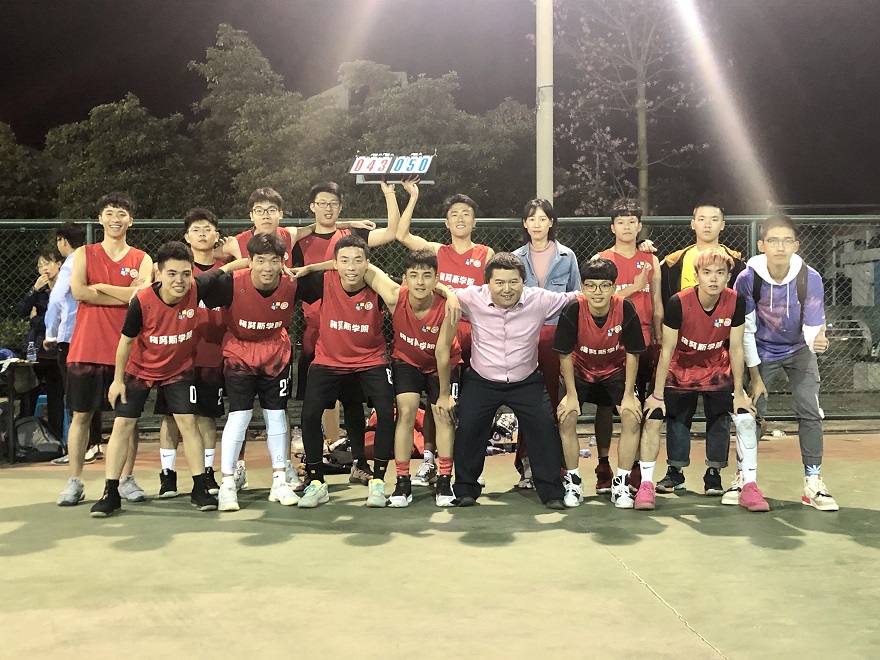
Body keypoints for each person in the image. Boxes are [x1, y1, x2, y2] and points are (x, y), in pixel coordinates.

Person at [436, 253, 578, 509]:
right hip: (482, 380)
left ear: (524, 282)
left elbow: (579, 297)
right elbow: (436, 286)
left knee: (545, 426)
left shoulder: (540, 299)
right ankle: (466, 489)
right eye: (499, 282)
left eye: (513, 282)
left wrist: (626, 291)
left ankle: (552, 492)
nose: (507, 289)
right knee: (468, 426)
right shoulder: (471, 297)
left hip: (526, 380)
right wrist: (450, 295)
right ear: (487, 283)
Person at [90, 242, 219, 517]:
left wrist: (252, 261)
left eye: (185, 273)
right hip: (139, 370)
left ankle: (199, 488)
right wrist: (117, 380)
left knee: (188, 424)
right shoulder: (141, 301)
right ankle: (110, 493)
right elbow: (125, 342)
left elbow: (228, 269)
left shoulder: (196, 289)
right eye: (172, 273)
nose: (180, 280)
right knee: (122, 426)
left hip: (178, 369)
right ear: (158, 273)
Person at [643, 248, 768, 512]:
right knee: (677, 416)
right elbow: (667, 350)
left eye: (720, 273)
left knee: (720, 416)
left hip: (715, 366)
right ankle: (675, 471)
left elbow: (736, 347)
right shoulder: (678, 302)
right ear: (697, 275)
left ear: (728, 276)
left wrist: (739, 391)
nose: (713, 278)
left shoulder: (736, 301)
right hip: (681, 366)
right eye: (707, 272)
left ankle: (714, 473)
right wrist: (657, 393)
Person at [294, 235, 408, 509]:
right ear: (335, 264)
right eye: (344, 261)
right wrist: (310, 268)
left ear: (368, 263)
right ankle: (316, 482)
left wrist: (450, 294)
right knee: (309, 415)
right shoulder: (322, 281)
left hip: (370, 360)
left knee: (386, 411)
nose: (352, 267)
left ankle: (378, 481)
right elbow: (283, 283)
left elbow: (405, 293)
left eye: (358, 260)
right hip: (329, 360)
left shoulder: (378, 285)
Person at [292, 180, 396, 480]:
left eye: (333, 204)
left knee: (353, 404)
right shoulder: (299, 241)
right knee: (313, 408)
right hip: (320, 336)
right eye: (322, 203)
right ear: (312, 206)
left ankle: (360, 464)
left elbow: (392, 234)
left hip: (359, 344)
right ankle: (316, 468)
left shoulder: (356, 243)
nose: (328, 208)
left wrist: (389, 194)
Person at [734, 214, 836, 511]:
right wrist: (755, 376)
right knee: (749, 414)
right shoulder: (747, 278)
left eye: (787, 240)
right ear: (761, 245)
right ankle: (744, 479)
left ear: (796, 245)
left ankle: (813, 482)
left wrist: (818, 341)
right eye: (774, 240)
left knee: (810, 412)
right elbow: (746, 331)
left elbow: (814, 325)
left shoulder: (810, 277)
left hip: (798, 351)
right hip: (760, 351)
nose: (780, 246)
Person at [56, 192, 152, 508]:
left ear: (130, 220)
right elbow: (79, 292)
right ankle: (74, 481)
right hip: (86, 348)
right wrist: (126, 294)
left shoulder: (142, 258)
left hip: (127, 352)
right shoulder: (83, 254)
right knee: (81, 416)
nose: (115, 218)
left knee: (128, 419)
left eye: (122, 213)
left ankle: (126, 479)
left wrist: (101, 290)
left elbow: (142, 296)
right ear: (100, 219)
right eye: (109, 212)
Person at [396, 182, 495, 486]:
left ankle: (465, 464)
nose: (460, 218)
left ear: (474, 222)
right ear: (447, 222)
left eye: (466, 214)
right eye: (454, 214)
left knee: (467, 404)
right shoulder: (436, 251)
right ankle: (429, 461)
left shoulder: (486, 254)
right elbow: (401, 234)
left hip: (474, 334)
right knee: (435, 401)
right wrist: (413, 197)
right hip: (438, 332)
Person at [200, 233, 303, 512]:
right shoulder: (230, 283)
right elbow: (196, 286)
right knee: (240, 415)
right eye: (260, 260)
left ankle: (279, 480)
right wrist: (228, 266)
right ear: (250, 261)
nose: (267, 268)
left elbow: (342, 274)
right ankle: (228, 483)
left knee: (276, 415)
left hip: (275, 353)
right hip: (239, 353)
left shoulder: (294, 282)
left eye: (274, 261)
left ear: (283, 261)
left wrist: (309, 269)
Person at [361, 248, 462, 508]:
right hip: (407, 361)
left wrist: (443, 395)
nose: (420, 282)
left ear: (436, 279)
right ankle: (402, 482)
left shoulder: (449, 308)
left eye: (427, 276)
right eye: (413, 275)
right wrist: (310, 268)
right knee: (406, 412)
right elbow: (363, 267)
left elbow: (442, 352)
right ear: (404, 277)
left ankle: (444, 481)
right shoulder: (396, 297)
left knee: (443, 414)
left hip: (443, 364)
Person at [554, 257, 646, 509]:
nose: (598, 292)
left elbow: (633, 353)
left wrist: (629, 395)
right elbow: (564, 354)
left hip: (614, 369)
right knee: (567, 416)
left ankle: (622, 483)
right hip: (580, 369)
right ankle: (573, 481)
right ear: (583, 287)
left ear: (613, 288)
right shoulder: (573, 309)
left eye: (604, 285)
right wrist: (571, 395)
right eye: (591, 286)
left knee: (631, 416)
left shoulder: (625, 307)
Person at [156, 209, 227, 499]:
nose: (202, 234)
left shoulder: (227, 270)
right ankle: (167, 475)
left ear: (217, 235)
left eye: (207, 229)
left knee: (207, 417)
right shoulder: (177, 271)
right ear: (186, 236)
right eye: (196, 229)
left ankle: (207, 473)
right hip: (177, 356)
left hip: (212, 355)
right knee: (172, 417)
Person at [511, 199, 580, 494]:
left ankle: (555, 466)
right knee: (526, 401)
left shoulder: (567, 256)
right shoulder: (514, 258)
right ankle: (527, 464)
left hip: (555, 337)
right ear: (525, 224)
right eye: (532, 219)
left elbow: (577, 297)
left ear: (551, 222)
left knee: (552, 401)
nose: (537, 224)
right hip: (524, 337)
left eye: (543, 218)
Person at [597, 199, 663, 492]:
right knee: (605, 406)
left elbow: (657, 303)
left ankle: (635, 467)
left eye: (632, 222)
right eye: (621, 222)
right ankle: (603, 465)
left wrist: (659, 338)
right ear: (612, 227)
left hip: (645, 340)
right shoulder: (602, 259)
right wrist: (634, 287)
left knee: (639, 406)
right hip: (611, 342)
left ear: (639, 226)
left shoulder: (650, 259)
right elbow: (598, 300)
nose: (626, 227)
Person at [45, 223, 105, 463]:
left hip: (71, 337)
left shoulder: (71, 263)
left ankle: (80, 449)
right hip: (94, 334)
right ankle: (95, 444)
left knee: (75, 396)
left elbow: (56, 299)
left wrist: (50, 332)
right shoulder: (94, 261)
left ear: (62, 241)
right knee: (93, 393)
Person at [17, 247, 64, 440]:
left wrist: (36, 319)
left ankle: (55, 439)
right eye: (40, 266)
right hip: (34, 347)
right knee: (28, 392)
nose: (44, 268)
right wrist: (34, 290)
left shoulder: (66, 290)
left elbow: (60, 320)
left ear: (58, 265)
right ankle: (23, 438)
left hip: (56, 349)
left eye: (48, 263)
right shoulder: (39, 291)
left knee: (56, 396)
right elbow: (21, 310)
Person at [658, 201, 746, 304]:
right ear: (693, 224)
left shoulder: (737, 263)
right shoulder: (672, 262)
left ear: (722, 225)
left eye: (714, 219)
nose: (707, 225)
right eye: (701, 219)